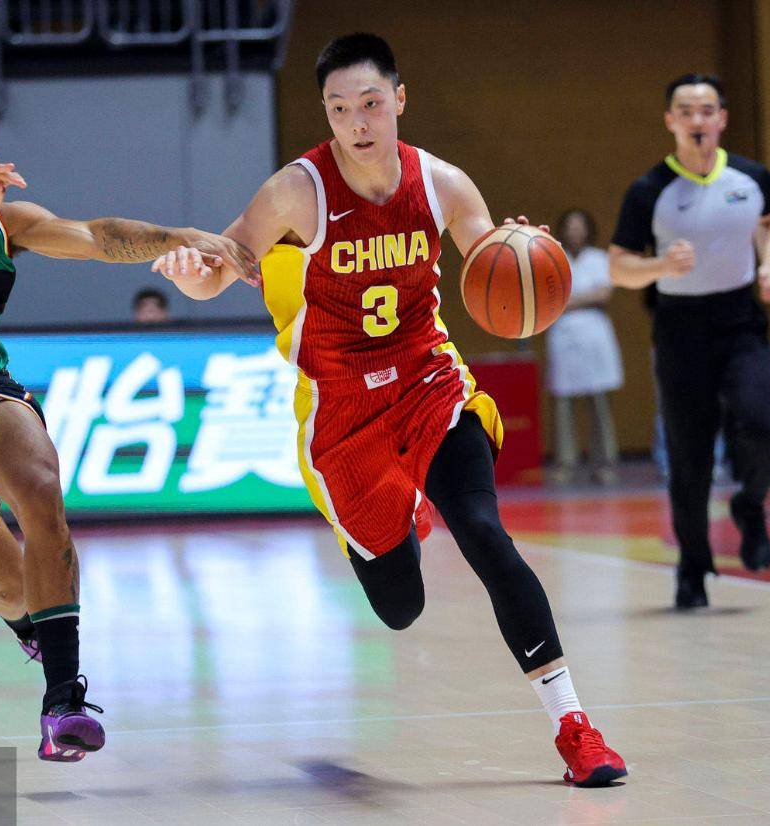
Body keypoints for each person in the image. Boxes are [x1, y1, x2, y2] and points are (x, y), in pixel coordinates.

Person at [152, 33, 626, 787]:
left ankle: (576, 728)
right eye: (339, 109)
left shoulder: (442, 184)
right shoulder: (295, 192)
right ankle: (399, 516)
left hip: (427, 384)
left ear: (399, 99)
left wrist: (522, 252)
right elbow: (224, 265)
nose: (357, 122)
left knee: (484, 533)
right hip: (341, 413)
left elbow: (491, 263)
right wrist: (190, 273)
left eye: (370, 103)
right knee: (400, 607)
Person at [0, 78, 252, 762]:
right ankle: (32, 622)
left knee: (38, 481)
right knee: (6, 588)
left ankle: (64, 702)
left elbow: (93, 236)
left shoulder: (2, 223)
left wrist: (177, 237)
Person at [609, 73, 770, 609]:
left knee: (765, 423)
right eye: (685, 111)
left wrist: (769, 265)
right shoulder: (649, 190)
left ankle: (750, 505)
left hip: (740, 320)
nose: (697, 120)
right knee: (690, 456)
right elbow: (619, 267)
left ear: (722, 119)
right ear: (671, 121)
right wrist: (661, 266)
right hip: (680, 327)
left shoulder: (751, 177)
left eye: (707, 110)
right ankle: (692, 566)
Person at [547, 209, 623, 486]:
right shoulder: (552, 258)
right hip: (563, 337)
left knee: (599, 403)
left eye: (580, 226)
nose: (575, 231)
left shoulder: (599, 259)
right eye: (570, 226)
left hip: (595, 336)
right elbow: (547, 299)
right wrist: (580, 298)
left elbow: (603, 293)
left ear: (588, 229)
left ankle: (605, 463)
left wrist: (566, 301)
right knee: (563, 405)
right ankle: (565, 464)